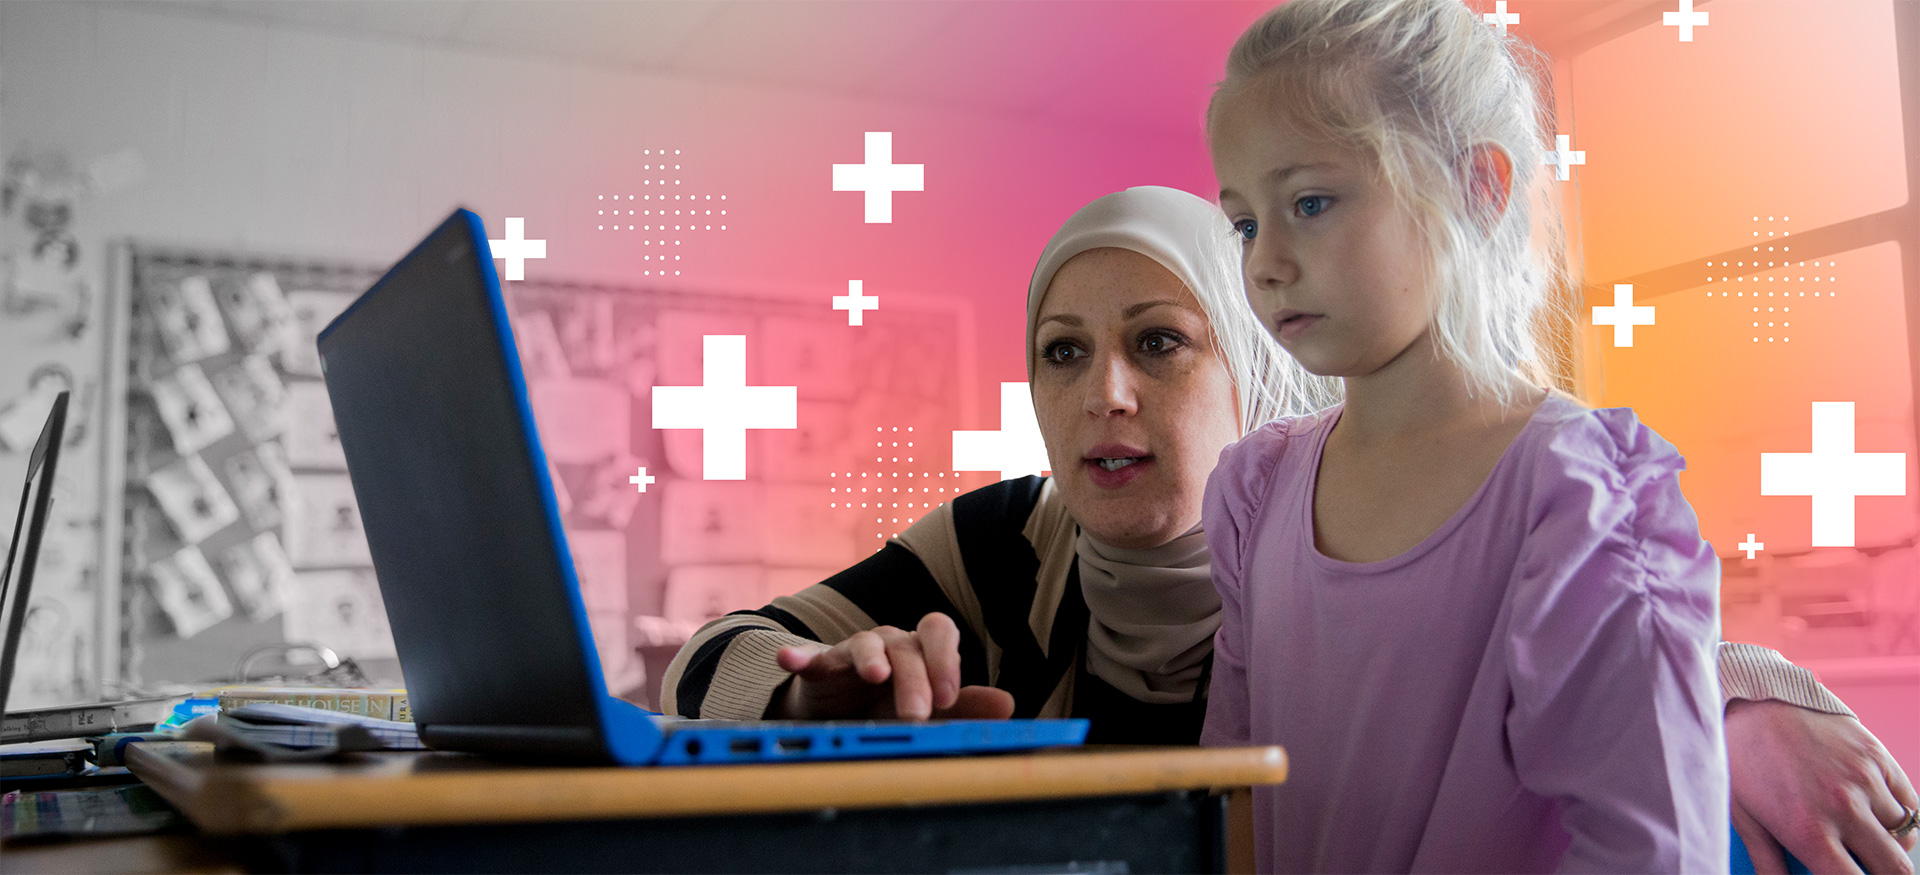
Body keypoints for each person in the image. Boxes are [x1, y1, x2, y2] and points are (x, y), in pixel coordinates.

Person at [661, 188, 1916, 871]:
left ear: (1265, 372)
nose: (1103, 392)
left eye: (1160, 342)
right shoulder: (1009, 539)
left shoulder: (1345, 530)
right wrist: (819, 695)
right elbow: (711, 651)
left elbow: (1561, 627)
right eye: (1062, 352)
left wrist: (1740, 695)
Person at [1196, 1, 1916, 872]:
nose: (1264, 260)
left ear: (1478, 188)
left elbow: (1651, 846)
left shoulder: (1587, 492)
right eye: (1244, 223)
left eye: (1310, 202)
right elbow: (1230, 798)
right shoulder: (1254, 493)